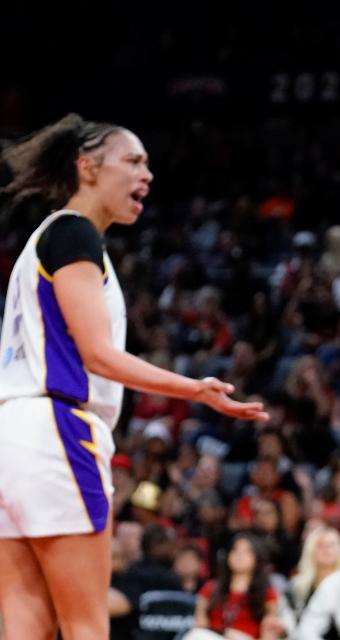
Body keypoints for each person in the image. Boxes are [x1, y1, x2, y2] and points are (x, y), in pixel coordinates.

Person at [0, 114, 267, 640]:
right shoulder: (74, 233)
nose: (147, 174)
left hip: (12, 434)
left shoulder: (41, 242)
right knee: (86, 626)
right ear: (88, 167)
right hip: (56, 429)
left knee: (24, 627)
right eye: (134, 160)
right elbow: (97, 355)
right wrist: (195, 388)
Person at [192, 534, 283, 640]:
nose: (239, 555)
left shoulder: (267, 593)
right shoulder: (210, 588)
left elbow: (268, 634)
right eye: (235, 550)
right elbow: (200, 623)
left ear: (257, 558)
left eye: (247, 552)